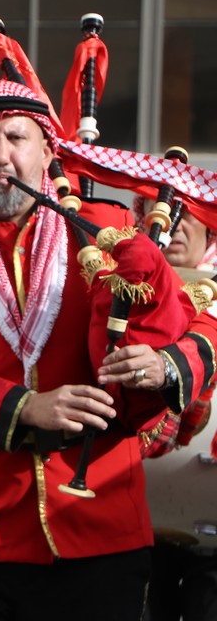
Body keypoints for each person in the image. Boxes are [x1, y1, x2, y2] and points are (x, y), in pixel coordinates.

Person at [0, 80, 217, 619]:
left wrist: (164, 364)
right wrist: (25, 407)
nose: (1, 155)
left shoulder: (109, 228)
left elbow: (201, 319)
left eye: (17, 138)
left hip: (101, 530)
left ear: (46, 152)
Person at [135, 196, 217, 621]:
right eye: (166, 212)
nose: (175, 225)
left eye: (190, 214)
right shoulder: (119, 293)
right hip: (135, 528)